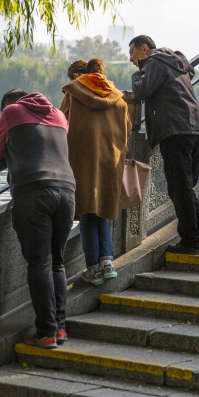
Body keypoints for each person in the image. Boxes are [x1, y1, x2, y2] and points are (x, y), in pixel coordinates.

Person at [0, 89, 76, 349]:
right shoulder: (60, 116)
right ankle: (59, 328)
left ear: (12, 103)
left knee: (39, 263)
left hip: (33, 191)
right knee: (57, 262)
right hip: (67, 192)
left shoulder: (11, 112)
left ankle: (46, 332)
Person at [129, 35, 199, 254]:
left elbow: (141, 91)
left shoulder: (155, 62)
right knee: (182, 189)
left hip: (174, 131)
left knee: (180, 189)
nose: (132, 59)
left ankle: (190, 241)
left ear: (144, 48)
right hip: (193, 129)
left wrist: (136, 75)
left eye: (132, 53)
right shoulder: (176, 62)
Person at [60, 58, 130, 285]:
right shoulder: (119, 99)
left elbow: (60, 125)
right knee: (101, 213)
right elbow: (127, 131)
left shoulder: (73, 94)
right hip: (111, 163)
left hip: (83, 161)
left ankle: (93, 269)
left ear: (76, 77)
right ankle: (107, 263)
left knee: (88, 214)